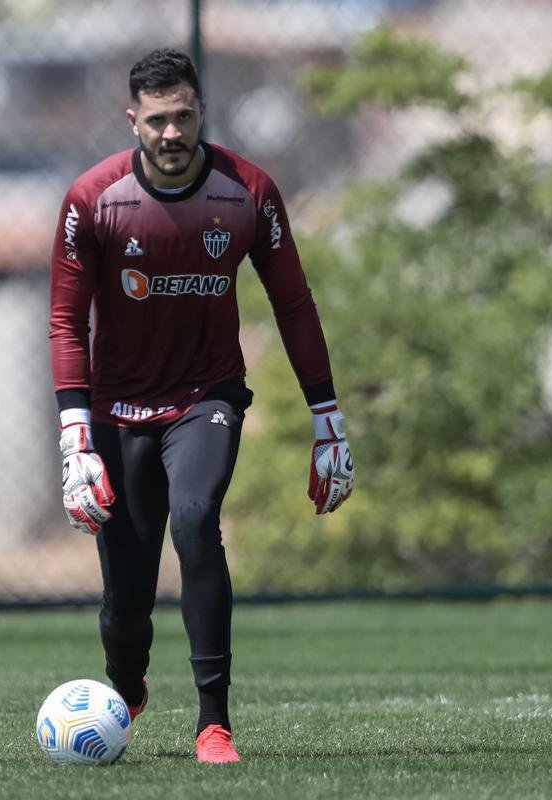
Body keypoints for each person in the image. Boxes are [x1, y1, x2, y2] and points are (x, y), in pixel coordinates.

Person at [48, 48, 355, 764]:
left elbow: (294, 306)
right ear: (133, 120)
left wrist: (328, 422)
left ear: (201, 113)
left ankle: (213, 723)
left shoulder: (247, 191)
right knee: (125, 608)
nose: (171, 132)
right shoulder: (92, 200)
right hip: (115, 410)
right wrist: (75, 438)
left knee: (194, 521)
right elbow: (66, 323)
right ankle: (127, 681)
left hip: (205, 398)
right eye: (157, 120)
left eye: (183, 116)